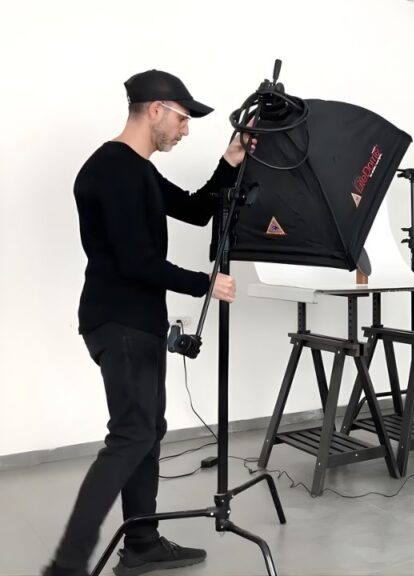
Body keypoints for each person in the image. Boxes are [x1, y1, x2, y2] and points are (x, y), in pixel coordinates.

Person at [44, 70, 252, 576]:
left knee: (146, 430)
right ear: (154, 110)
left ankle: (141, 543)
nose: (185, 130)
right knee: (133, 434)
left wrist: (230, 162)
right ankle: (67, 565)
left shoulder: (139, 170)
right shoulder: (111, 170)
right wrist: (206, 284)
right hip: (119, 321)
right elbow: (135, 261)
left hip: (136, 321)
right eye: (182, 119)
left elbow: (198, 210)